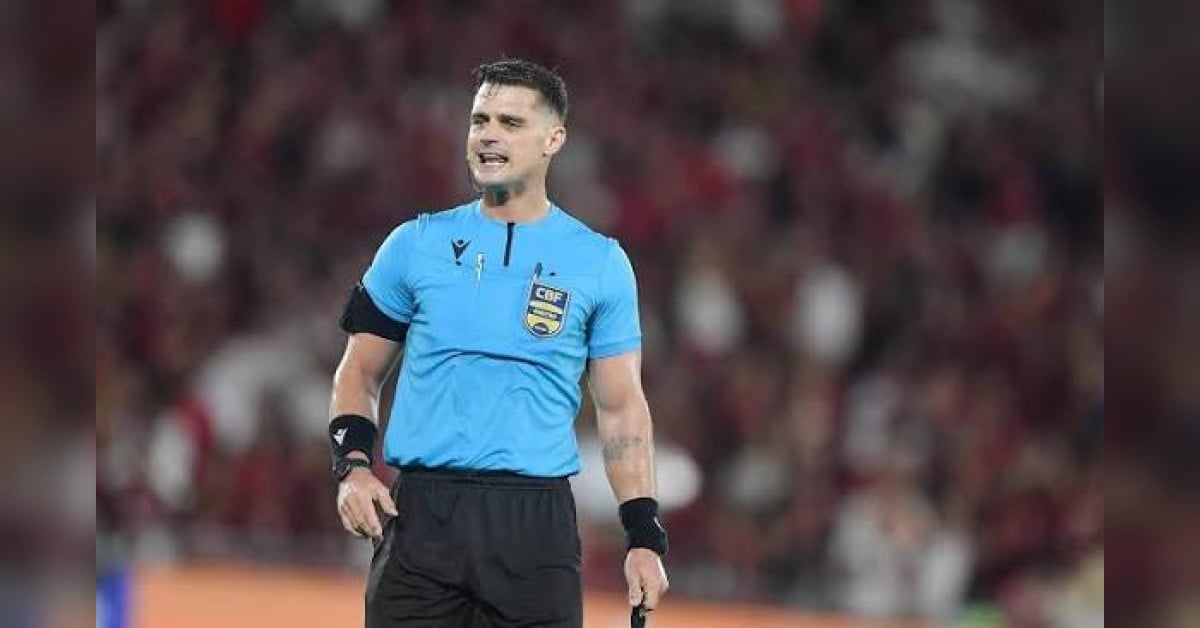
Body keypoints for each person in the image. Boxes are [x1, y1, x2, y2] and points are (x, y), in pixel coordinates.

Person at [327, 58, 669, 627]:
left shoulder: (600, 263)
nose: (488, 135)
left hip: (535, 530)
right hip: (422, 522)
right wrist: (353, 468)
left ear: (553, 140)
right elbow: (359, 371)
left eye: (510, 123)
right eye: (479, 120)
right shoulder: (413, 245)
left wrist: (644, 535)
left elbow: (621, 408)